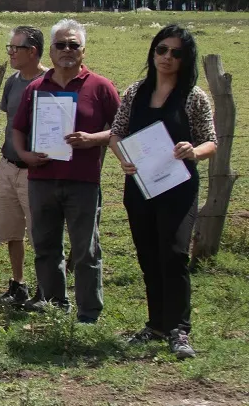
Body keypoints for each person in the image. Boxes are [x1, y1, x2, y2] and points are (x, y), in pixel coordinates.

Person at [110, 26, 216, 359]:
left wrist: (193, 152)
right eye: (161, 50)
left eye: (176, 53)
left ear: (186, 59)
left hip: (179, 189)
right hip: (140, 187)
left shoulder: (194, 96)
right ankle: (156, 325)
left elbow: (211, 140)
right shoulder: (135, 91)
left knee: (173, 254)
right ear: (153, 52)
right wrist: (123, 158)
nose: (167, 57)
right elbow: (116, 133)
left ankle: (179, 331)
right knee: (148, 255)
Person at [12, 18, 121, 323]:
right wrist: (24, 155)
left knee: (86, 250)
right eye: (61, 44)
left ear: (83, 51)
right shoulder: (36, 88)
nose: (67, 50)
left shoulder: (101, 87)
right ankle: (54, 304)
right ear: (51, 51)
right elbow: (18, 129)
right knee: (45, 246)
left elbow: (122, 128)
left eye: (74, 45)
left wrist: (93, 139)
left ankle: (89, 313)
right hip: (42, 181)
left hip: (83, 182)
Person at [0, 27, 48, 305]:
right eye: (9, 47)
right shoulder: (13, 82)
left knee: (40, 232)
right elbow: (11, 120)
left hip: (36, 171)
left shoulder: (50, 82)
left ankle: (45, 289)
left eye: (16, 48)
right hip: (8, 165)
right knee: (11, 229)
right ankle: (18, 284)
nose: (11, 53)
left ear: (33, 51)